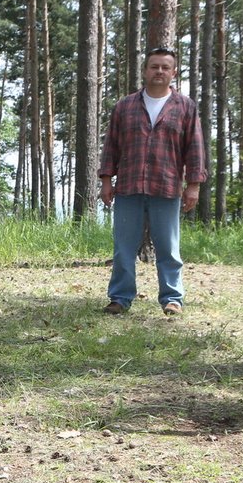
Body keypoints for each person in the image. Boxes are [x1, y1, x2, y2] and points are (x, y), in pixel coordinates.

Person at [99, 47, 206, 317]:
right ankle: (120, 298)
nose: (159, 71)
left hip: (167, 187)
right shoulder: (125, 106)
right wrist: (106, 181)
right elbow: (111, 146)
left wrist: (193, 185)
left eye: (165, 67)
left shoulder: (185, 107)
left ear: (173, 73)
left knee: (168, 248)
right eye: (154, 66)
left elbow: (194, 147)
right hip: (129, 187)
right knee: (124, 247)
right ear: (145, 71)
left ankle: (172, 298)